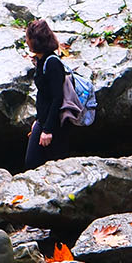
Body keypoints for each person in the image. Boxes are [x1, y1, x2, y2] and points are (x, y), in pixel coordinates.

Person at [24, 18, 79, 166]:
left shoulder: (52, 63)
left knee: (42, 162)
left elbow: (57, 98)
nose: (26, 41)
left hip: (55, 123)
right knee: (33, 162)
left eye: (27, 38)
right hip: (43, 120)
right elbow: (44, 96)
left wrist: (48, 130)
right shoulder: (41, 60)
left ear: (35, 41)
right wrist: (38, 122)